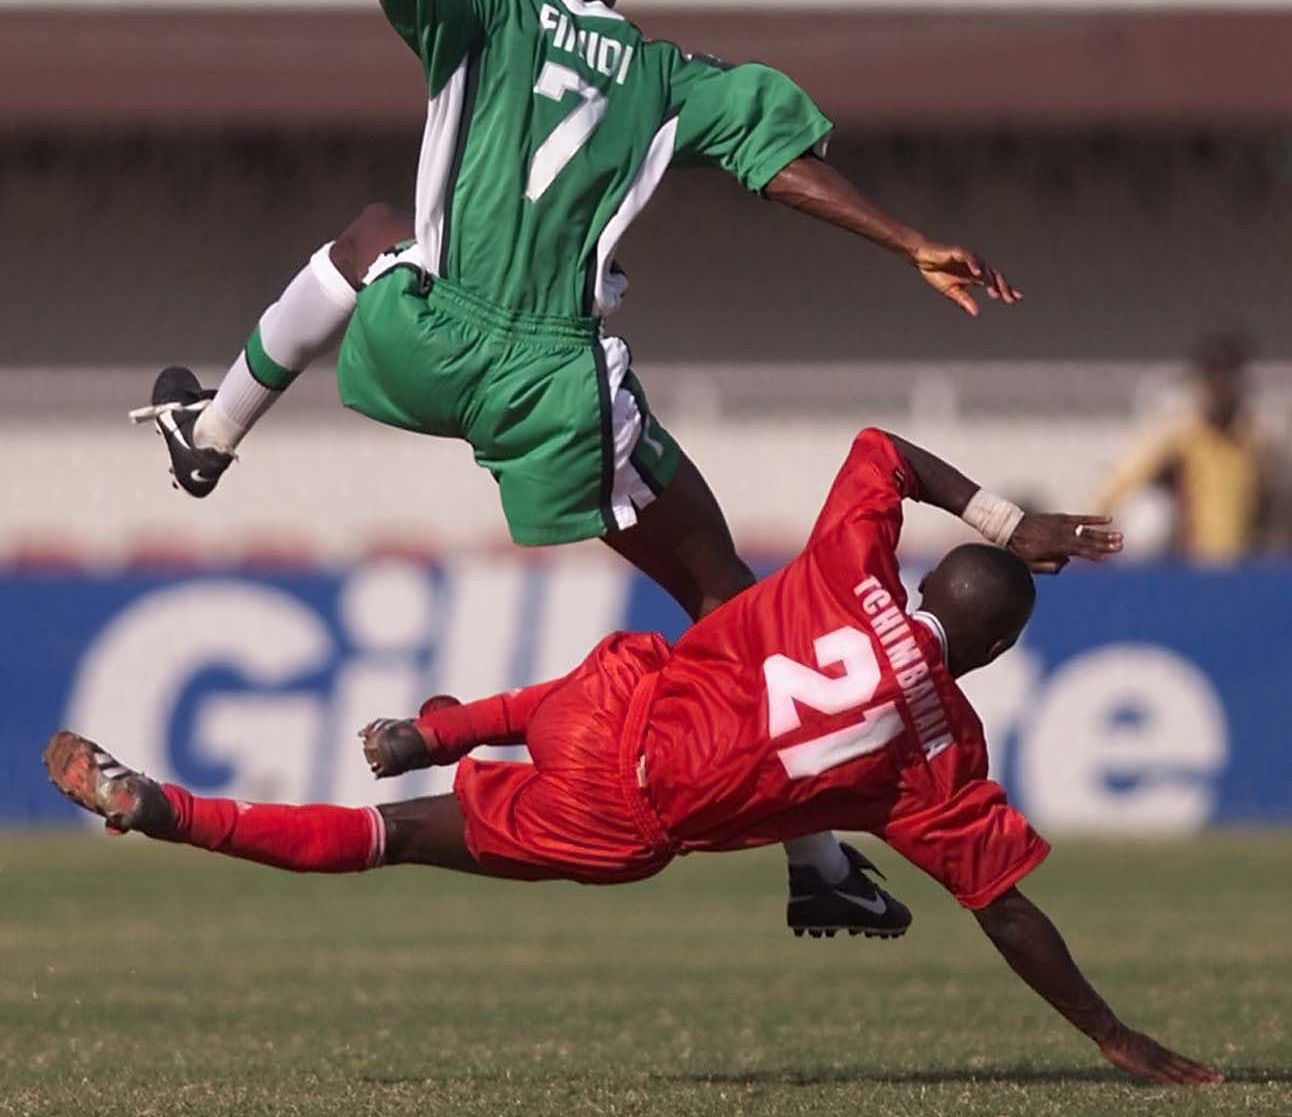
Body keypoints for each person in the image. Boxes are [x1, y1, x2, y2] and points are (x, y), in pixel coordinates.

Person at [129, 0, 1020, 931]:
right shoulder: (660, 75)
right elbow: (777, 165)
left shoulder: (479, 7)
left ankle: (212, 433)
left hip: (426, 342)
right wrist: (907, 239)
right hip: (551, 385)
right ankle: (817, 868)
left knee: (368, 238)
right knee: (722, 597)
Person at [46, 429, 1219, 1087]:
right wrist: (1115, 1036)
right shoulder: (934, 760)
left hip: (606, 712)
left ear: (921, 584)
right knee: (393, 839)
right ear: (999, 647)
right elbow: (1005, 911)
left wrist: (1007, 521)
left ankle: (444, 728)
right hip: (621, 823)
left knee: (639, 671)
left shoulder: (844, 576)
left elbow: (880, 450)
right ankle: (182, 812)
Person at [1098, 334, 1268, 563]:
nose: (1222, 386)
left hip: (1238, 566)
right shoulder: (1180, 438)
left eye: (1229, 376)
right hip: (1189, 568)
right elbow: (1118, 487)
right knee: (1149, 515)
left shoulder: (1250, 444)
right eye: (1214, 376)